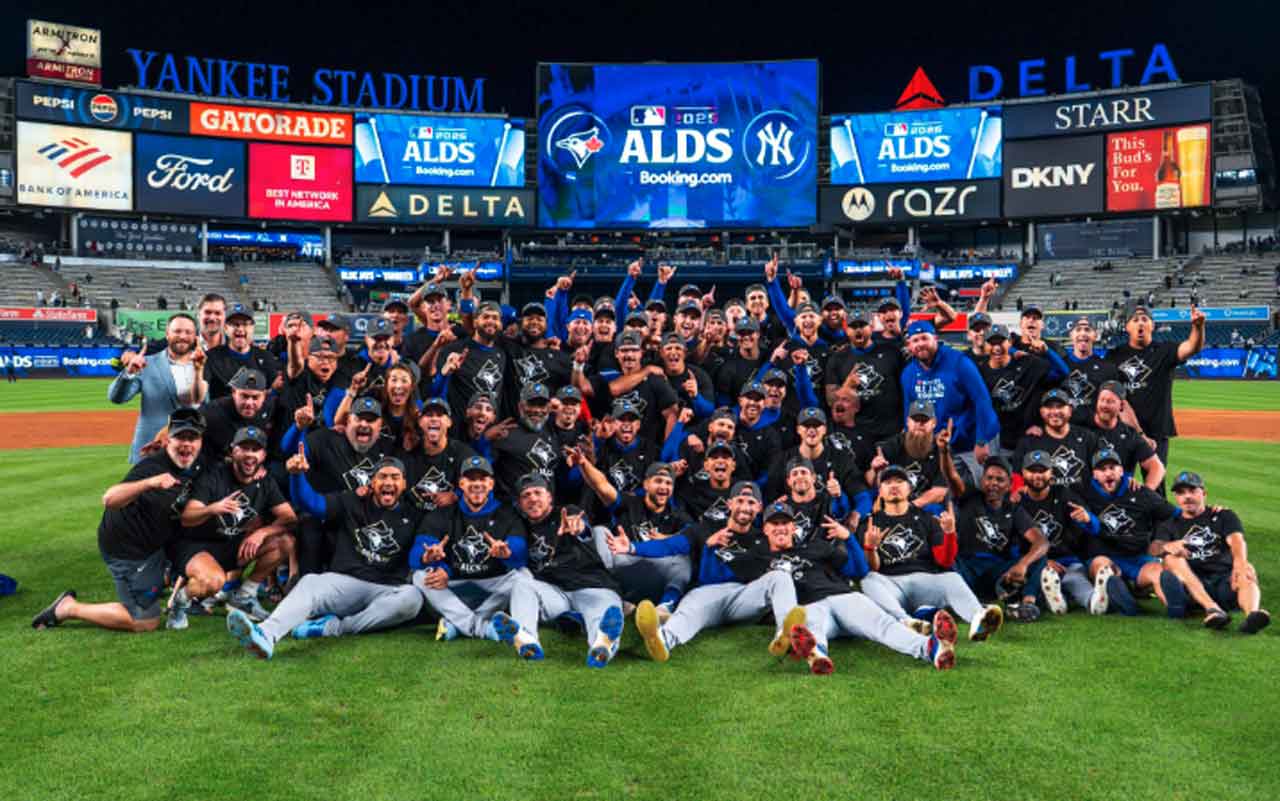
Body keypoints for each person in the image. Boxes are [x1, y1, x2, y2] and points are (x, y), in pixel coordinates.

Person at [227, 454, 425, 659]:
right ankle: (266, 634)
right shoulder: (351, 501)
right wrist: (297, 476)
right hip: (345, 583)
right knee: (311, 582)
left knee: (413, 598)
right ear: (373, 482)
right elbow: (311, 503)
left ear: (404, 484)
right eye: (382, 477)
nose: (388, 482)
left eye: (395, 477)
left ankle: (334, 627)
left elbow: (423, 547)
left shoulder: (414, 514)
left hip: (387, 590)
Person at [32, 410, 208, 633]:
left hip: (156, 543)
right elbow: (110, 498)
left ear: (201, 441)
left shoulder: (198, 463)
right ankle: (68, 608)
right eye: (181, 438)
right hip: (127, 550)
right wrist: (150, 483)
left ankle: (162, 577)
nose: (187, 445)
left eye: (193, 439)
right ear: (168, 440)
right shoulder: (152, 467)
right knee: (145, 622)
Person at [629, 487, 806, 663]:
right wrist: (632, 548)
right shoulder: (705, 529)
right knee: (689, 612)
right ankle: (662, 640)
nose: (745, 507)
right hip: (706, 593)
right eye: (740, 501)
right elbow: (670, 545)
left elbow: (792, 557)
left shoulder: (764, 538)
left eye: (751, 503)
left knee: (780, 577)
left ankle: (785, 634)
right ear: (729, 504)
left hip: (742, 596)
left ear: (759, 508)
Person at [857, 465, 1004, 642]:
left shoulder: (926, 518)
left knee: (952, 578)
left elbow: (944, 561)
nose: (894, 486)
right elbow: (873, 567)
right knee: (869, 581)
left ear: (909, 488)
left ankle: (978, 618)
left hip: (925, 579)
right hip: (891, 584)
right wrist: (870, 548)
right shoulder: (870, 523)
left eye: (899, 481)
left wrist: (949, 534)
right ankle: (906, 622)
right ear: (880, 490)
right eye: (887, 482)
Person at [172, 426, 297, 628]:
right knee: (213, 582)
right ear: (233, 451)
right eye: (244, 448)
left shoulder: (265, 482)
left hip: (233, 547)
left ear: (263, 454)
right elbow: (187, 517)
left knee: (284, 542)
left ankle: (244, 596)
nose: (249, 455)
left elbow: (289, 518)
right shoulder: (214, 477)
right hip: (201, 547)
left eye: (255, 449)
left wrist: (261, 533)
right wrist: (213, 508)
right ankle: (180, 601)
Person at [508, 475, 627, 667]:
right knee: (520, 583)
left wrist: (577, 527)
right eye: (526, 496)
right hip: (556, 594)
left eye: (538, 492)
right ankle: (527, 639)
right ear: (520, 504)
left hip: (592, 586)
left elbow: (582, 527)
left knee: (603, 614)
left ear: (550, 497)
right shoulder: (520, 528)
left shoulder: (568, 512)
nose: (532, 499)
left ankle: (602, 645)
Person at [1152, 471, 1269, 633]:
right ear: (1176, 497)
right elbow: (1153, 548)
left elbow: (1236, 540)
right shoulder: (1169, 525)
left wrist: (1239, 564)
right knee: (1171, 559)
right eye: (1181, 493)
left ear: (1204, 493)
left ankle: (1252, 616)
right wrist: (1166, 546)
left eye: (1192, 491)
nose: (1187, 497)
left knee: (1245, 566)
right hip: (1196, 586)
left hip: (1227, 582)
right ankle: (1212, 609)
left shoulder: (1223, 515)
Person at [1107, 304, 1205, 491]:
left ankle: (1156, 521)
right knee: (1118, 485)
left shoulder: (1164, 351)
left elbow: (1192, 347)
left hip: (1157, 432)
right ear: (1127, 327)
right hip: (1122, 432)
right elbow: (1115, 399)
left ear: (1152, 325)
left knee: (1156, 489)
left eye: (1145, 319)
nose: (1140, 323)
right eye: (1135, 320)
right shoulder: (1115, 356)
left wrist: (1198, 327)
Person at [1077, 449, 1185, 617]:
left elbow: (1177, 515)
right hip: (1105, 556)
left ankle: (1176, 607)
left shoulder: (1140, 493)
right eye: (1102, 469)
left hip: (1137, 558)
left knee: (1158, 573)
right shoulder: (1084, 494)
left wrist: (1211, 513)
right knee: (1103, 567)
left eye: (1112, 467)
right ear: (1094, 474)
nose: (1108, 473)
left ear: (1121, 471)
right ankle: (1124, 599)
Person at [900, 320, 1000, 482]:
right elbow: (909, 412)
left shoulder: (959, 362)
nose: (920, 344)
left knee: (984, 487)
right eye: (915, 340)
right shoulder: (908, 373)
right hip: (940, 443)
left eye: (924, 338)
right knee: (949, 489)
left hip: (971, 438)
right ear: (909, 345)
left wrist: (982, 440)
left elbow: (982, 401)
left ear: (935, 338)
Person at [109, 313, 208, 464]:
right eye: (177, 331)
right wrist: (129, 373)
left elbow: (208, 407)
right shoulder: (146, 363)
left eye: (188, 332)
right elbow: (117, 398)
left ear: (195, 337)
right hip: (151, 450)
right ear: (167, 334)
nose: (183, 336)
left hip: (191, 452)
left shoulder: (205, 366)